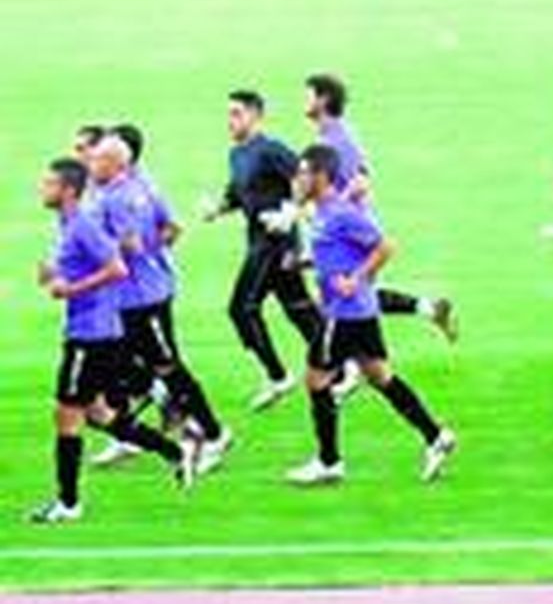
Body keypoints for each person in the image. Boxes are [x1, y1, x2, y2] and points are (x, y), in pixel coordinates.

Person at [30, 158, 198, 524]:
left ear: (69, 191)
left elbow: (117, 269)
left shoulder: (82, 226)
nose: (42, 189)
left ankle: (69, 504)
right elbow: (83, 265)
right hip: (89, 331)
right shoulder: (67, 225)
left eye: (49, 184)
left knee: (67, 415)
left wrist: (70, 288)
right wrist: (52, 274)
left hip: (92, 334)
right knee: (97, 414)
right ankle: (174, 451)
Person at [284, 145, 456, 486]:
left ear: (320, 176)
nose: (298, 179)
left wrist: (356, 278)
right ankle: (436, 436)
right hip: (361, 312)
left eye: (303, 172)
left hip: (343, 314)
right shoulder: (319, 212)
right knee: (380, 377)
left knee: (316, 381)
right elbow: (335, 252)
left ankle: (329, 462)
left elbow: (384, 246)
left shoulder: (340, 213)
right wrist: (304, 263)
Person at [84, 136, 232, 474]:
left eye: (97, 159)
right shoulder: (141, 185)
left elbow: (130, 245)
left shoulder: (118, 198)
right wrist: (155, 251)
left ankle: (214, 433)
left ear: (116, 163)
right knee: (118, 363)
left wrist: (92, 253)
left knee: (167, 366)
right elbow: (173, 229)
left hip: (140, 299)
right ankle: (138, 425)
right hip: (138, 294)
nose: (91, 164)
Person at [305, 73, 458, 341]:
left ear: (323, 99)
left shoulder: (337, 139)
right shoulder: (334, 133)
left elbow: (360, 180)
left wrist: (334, 212)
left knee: (343, 297)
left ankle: (354, 364)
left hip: (353, 231)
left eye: (308, 95)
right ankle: (429, 310)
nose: (304, 102)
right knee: (346, 295)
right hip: (346, 227)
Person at [203, 90, 325, 411]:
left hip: (275, 244)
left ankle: (278, 376)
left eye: (237, 113)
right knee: (299, 309)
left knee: (241, 309)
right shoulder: (237, 154)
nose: (231, 120)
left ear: (256, 116)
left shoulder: (270, 150)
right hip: (258, 240)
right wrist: (218, 208)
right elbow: (239, 192)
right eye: (228, 113)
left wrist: (290, 212)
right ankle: (344, 363)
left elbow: (305, 177)